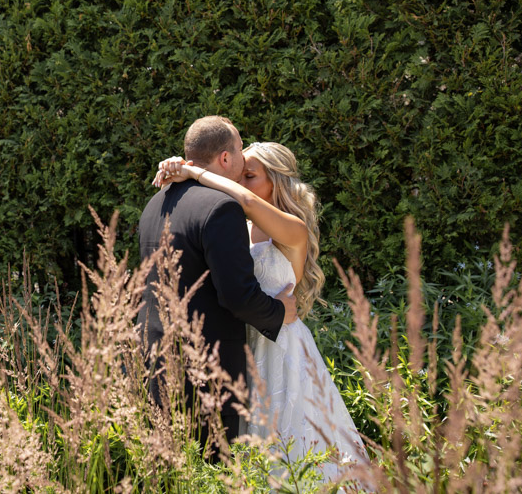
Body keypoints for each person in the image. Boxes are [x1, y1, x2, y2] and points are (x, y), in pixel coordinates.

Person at [153, 141, 367, 478]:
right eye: (237, 174)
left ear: (276, 182)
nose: (239, 181)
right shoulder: (235, 225)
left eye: (249, 175)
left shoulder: (293, 228)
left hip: (280, 346)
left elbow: (249, 201)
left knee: (291, 444)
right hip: (242, 343)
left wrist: (193, 171)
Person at [137, 116, 297, 460]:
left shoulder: (155, 204)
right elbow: (238, 296)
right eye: (239, 151)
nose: (241, 164)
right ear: (226, 157)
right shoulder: (222, 208)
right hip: (206, 375)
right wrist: (281, 311)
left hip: (154, 362)